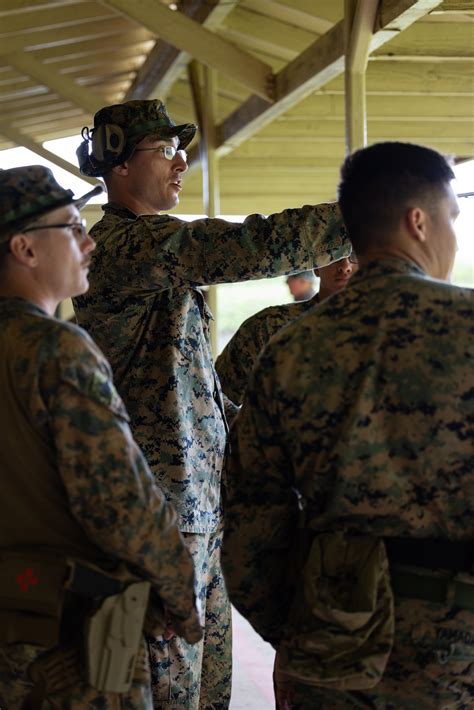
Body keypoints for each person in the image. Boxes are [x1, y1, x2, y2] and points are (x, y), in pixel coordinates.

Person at [72, 98, 350, 710]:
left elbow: (195, 391)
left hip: (196, 509)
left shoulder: (159, 265)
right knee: (168, 686)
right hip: (159, 518)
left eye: (182, 152)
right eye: (165, 151)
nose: (180, 165)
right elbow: (253, 246)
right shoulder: (125, 247)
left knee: (206, 688)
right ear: (116, 164)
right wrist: (368, 213)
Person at [221, 142, 474, 709]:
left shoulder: (290, 350)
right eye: (452, 219)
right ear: (419, 221)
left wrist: (302, 636)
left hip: (331, 657)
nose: (454, 239)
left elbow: (248, 534)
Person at [0, 165, 202, 708]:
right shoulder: (56, 349)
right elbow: (121, 502)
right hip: (63, 641)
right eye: (69, 227)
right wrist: (181, 596)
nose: (88, 242)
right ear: (24, 248)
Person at [215, 255, 358, 406]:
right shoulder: (268, 326)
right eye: (336, 255)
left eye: (355, 255)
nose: (345, 266)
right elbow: (216, 400)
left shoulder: (383, 330)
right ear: (316, 266)